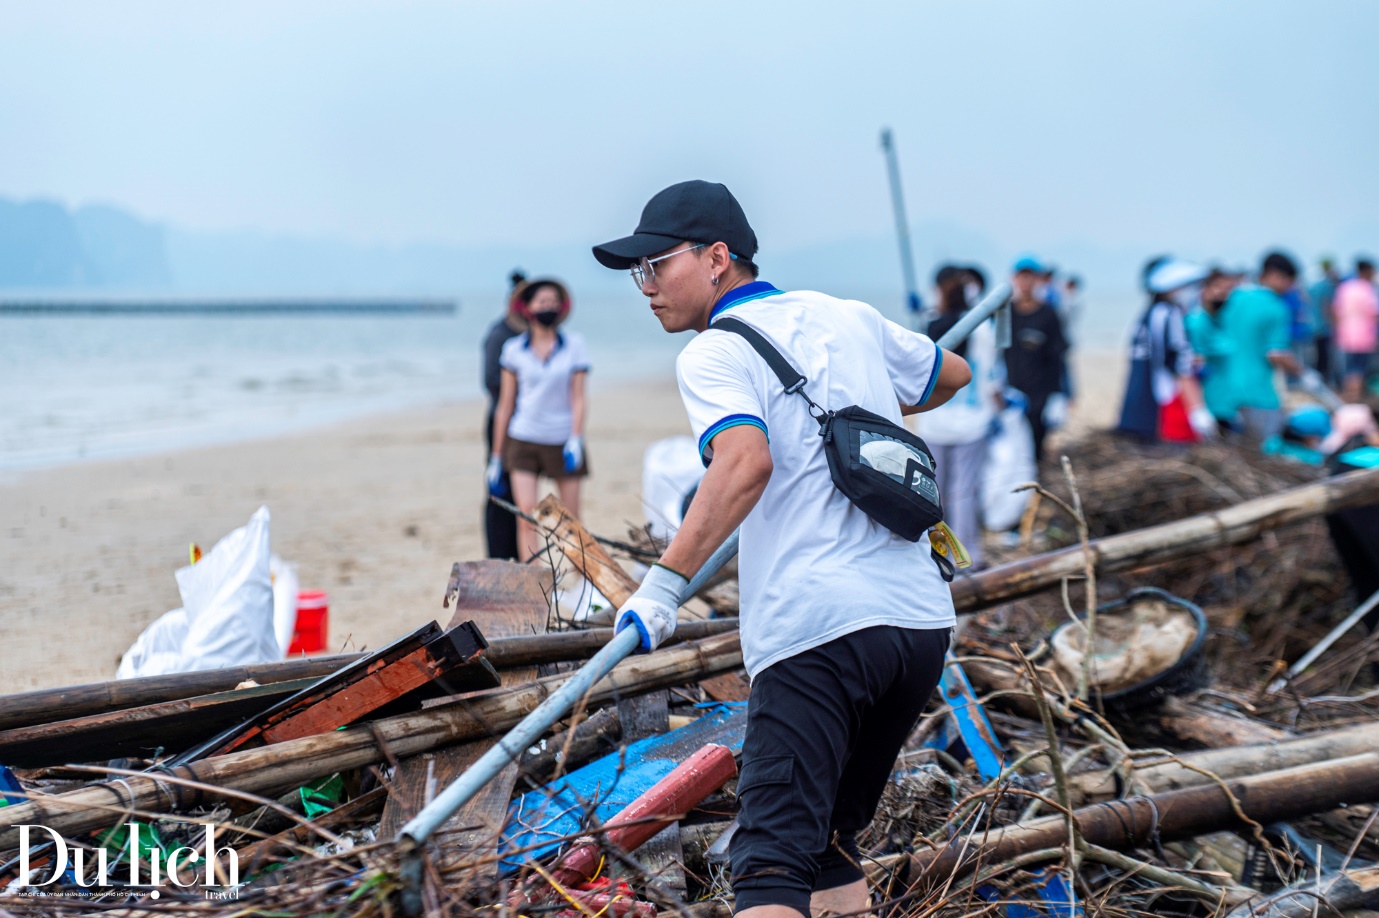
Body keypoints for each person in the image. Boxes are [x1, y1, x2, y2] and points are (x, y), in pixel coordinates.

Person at [591, 180, 971, 918]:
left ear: (716, 258)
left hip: (817, 631)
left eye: (654, 266)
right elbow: (948, 374)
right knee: (826, 841)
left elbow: (744, 463)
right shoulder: (846, 317)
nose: (645, 288)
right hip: (917, 626)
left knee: (767, 860)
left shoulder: (713, 354)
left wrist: (662, 588)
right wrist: (866, 394)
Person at [489, 279, 590, 559]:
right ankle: (535, 583)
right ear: (527, 307)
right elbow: (505, 405)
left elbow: (579, 397)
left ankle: (582, 584)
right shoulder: (513, 349)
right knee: (527, 517)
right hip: (523, 438)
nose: (548, 306)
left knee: (571, 519)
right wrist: (496, 457)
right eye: (541, 301)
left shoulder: (575, 346)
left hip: (562, 439)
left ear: (562, 307)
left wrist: (576, 438)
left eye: (553, 301)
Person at [917, 264, 1002, 569]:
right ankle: (968, 556)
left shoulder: (930, 325)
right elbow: (991, 374)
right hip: (972, 421)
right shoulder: (981, 328)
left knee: (933, 494)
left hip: (934, 422)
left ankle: (938, 553)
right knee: (964, 492)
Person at [1117, 259, 1216, 443]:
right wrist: (1197, 410)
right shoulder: (1169, 314)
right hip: (1163, 410)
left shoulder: (1149, 314)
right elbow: (1179, 364)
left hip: (1138, 409)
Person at [1216, 251, 1303, 441]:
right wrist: (1301, 371)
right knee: (1264, 451)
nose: (1290, 288)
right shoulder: (1276, 307)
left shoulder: (1234, 297)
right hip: (1259, 394)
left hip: (1223, 392)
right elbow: (1276, 354)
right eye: (1289, 281)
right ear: (1274, 275)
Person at [480, 270, 528, 559]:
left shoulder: (533, 336)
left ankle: (521, 555)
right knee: (499, 494)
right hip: (501, 421)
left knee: (523, 496)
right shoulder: (499, 335)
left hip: (530, 424)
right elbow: (490, 381)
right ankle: (498, 556)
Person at [1004, 255, 1069, 464]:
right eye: (1021, 277)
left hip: (1041, 391)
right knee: (1011, 445)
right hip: (1011, 389)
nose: (1025, 283)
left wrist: (1060, 393)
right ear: (1014, 279)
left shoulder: (1048, 313)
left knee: (1036, 442)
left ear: (1037, 280)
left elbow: (1059, 354)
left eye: (1030, 277)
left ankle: (1036, 483)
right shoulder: (1005, 313)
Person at [1185, 267, 1242, 428]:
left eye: (1228, 289)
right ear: (1205, 289)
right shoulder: (1196, 323)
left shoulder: (1224, 321)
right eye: (1218, 288)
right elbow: (1190, 367)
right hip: (1209, 406)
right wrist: (1197, 409)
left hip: (1230, 404)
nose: (1223, 294)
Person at [1333, 257, 1378, 403]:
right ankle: (1356, 400)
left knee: (1349, 370)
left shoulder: (1345, 287)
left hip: (1345, 335)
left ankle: (1348, 399)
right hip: (1365, 336)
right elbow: (1375, 312)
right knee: (1359, 370)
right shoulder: (1367, 288)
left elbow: (1335, 311)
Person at [1307, 258, 1341, 383]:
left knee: (1318, 356)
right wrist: (1335, 324)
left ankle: (1319, 380)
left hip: (1313, 326)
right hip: (1323, 327)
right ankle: (1325, 381)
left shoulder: (1314, 286)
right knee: (1326, 357)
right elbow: (1327, 307)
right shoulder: (1327, 286)